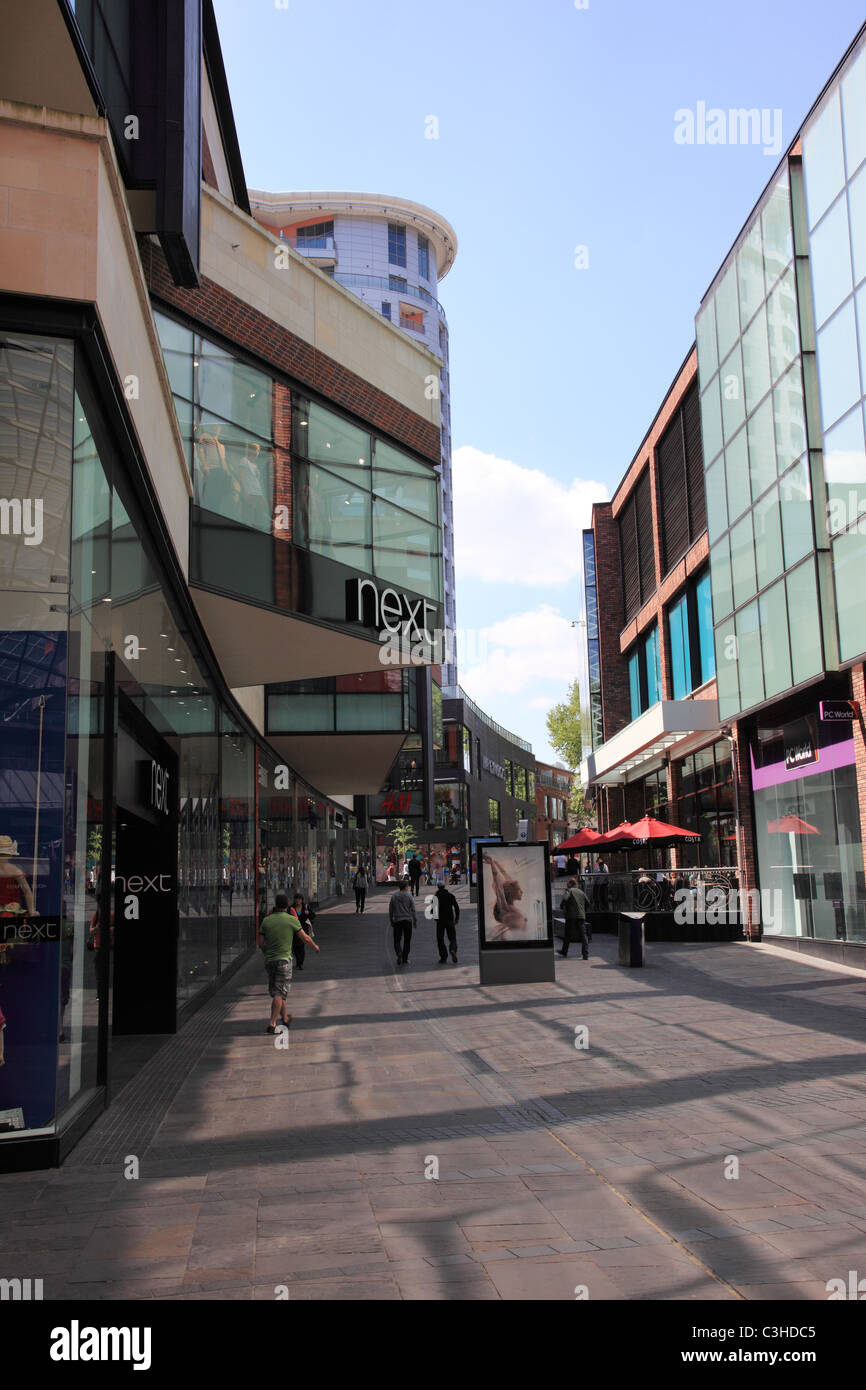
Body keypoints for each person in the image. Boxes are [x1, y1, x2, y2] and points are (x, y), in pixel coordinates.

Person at [257, 891, 319, 1033]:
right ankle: (272, 1024)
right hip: (284, 961)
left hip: (269, 961)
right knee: (279, 993)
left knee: (277, 991)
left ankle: (284, 1018)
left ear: (275, 906)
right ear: (287, 906)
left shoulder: (266, 921)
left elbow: (260, 942)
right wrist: (315, 947)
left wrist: (267, 952)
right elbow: (305, 938)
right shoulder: (291, 920)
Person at [488, 855, 527, 938]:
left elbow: (506, 875)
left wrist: (496, 864)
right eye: (519, 890)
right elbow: (498, 885)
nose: (522, 892)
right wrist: (492, 863)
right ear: (512, 893)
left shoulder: (510, 907)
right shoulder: (505, 907)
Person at [559, 877, 590, 959]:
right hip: (581, 916)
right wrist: (583, 911)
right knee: (583, 936)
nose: (567, 884)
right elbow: (588, 903)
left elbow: (565, 899)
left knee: (567, 935)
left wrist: (562, 906)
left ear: (571, 883)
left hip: (571, 916)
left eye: (568, 883)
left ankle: (564, 952)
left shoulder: (569, 890)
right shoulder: (581, 892)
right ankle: (585, 954)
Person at [389, 877, 416, 966]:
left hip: (397, 921)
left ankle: (399, 953)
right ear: (405, 887)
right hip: (407, 921)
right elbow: (413, 909)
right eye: (407, 886)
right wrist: (414, 920)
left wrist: (391, 920)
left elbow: (391, 910)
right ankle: (405, 958)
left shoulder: (394, 896)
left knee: (397, 940)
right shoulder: (409, 896)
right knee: (407, 940)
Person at [434, 882, 460, 964]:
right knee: (452, 938)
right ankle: (452, 949)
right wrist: (457, 918)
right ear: (444, 887)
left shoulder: (436, 897)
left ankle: (443, 957)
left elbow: (433, 910)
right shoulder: (450, 895)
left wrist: (435, 918)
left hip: (440, 921)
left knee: (440, 939)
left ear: (438, 887)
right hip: (449, 920)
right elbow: (456, 907)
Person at [291, 892, 315, 969]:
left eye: (299, 899)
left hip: (303, 929)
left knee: (301, 946)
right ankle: (298, 961)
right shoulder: (291, 908)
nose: (297, 901)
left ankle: (300, 962)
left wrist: (308, 913)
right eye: (296, 899)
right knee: (295, 947)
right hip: (294, 930)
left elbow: (313, 915)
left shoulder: (306, 907)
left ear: (301, 900)